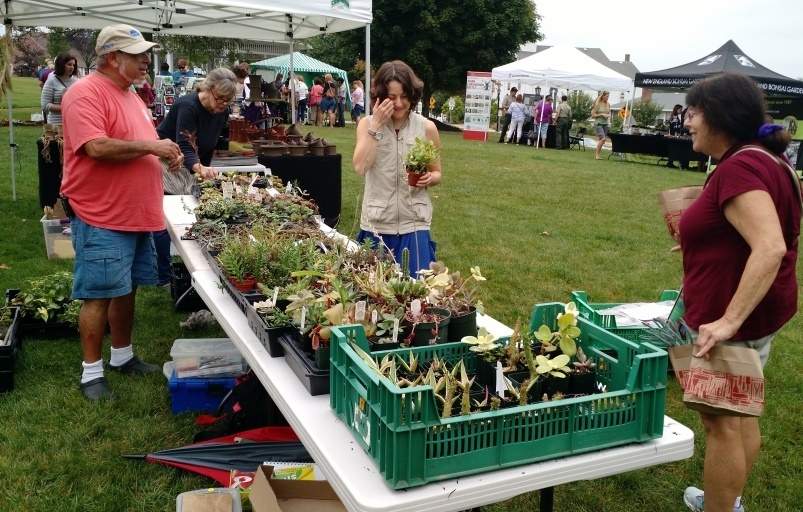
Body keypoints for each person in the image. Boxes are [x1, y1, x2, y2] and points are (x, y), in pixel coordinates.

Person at [679, 72, 800, 512]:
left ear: (720, 116)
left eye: (694, 113)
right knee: (741, 412)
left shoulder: (740, 167)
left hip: (731, 320)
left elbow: (770, 245)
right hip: (760, 314)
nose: (687, 122)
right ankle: (729, 502)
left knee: (722, 424)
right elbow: (760, 228)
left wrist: (728, 321)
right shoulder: (767, 160)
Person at [59, 23, 184, 401]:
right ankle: (91, 374)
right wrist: (153, 146)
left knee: (125, 287)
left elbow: (138, 144)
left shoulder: (130, 94)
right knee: (98, 293)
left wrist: (164, 154)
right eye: (138, 54)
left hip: (132, 213)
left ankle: (122, 356)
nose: (147, 60)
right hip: (102, 213)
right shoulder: (85, 93)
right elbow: (95, 147)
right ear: (114, 57)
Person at [352, 60, 442, 275]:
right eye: (392, 98)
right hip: (377, 223)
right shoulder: (367, 124)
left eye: (404, 96)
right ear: (381, 98)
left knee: (416, 293)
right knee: (374, 292)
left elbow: (437, 171)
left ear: (412, 94)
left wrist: (431, 178)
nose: (400, 103)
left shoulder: (427, 127)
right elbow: (360, 167)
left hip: (415, 223)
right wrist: (376, 127)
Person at [152, 68, 237, 286]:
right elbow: (184, 145)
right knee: (164, 221)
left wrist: (203, 168)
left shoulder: (222, 112)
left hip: (191, 164)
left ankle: (196, 268)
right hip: (166, 163)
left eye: (229, 101)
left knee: (190, 215)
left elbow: (208, 143)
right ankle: (163, 276)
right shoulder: (188, 106)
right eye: (220, 99)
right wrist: (199, 167)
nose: (224, 105)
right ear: (208, 90)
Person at [40, 52, 79, 126]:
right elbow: (45, 105)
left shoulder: (77, 81)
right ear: (61, 65)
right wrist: (65, 108)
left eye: (73, 65)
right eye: (69, 64)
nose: (72, 67)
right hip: (56, 124)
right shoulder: (51, 81)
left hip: (74, 123)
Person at [591, 90, 611, 160]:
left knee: (602, 140)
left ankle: (597, 154)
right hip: (598, 123)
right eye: (606, 96)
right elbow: (593, 115)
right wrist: (602, 114)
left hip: (605, 124)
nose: (607, 97)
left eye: (608, 96)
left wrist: (607, 115)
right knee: (603, 138)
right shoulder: (597, 104)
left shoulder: (608, 104)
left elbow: (608, 113)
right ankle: (596, 155)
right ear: (602, 96)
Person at [666, 104, 685, 168]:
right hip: (674, 136)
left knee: (673, 150)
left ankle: (670, 163)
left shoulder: (673, 117)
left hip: (672, 135)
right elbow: (675, 128)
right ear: (677, 109)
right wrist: (676, 136)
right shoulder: (675, 118)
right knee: (676, 149)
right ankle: (672, 163)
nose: (681, 111)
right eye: (680, 109)